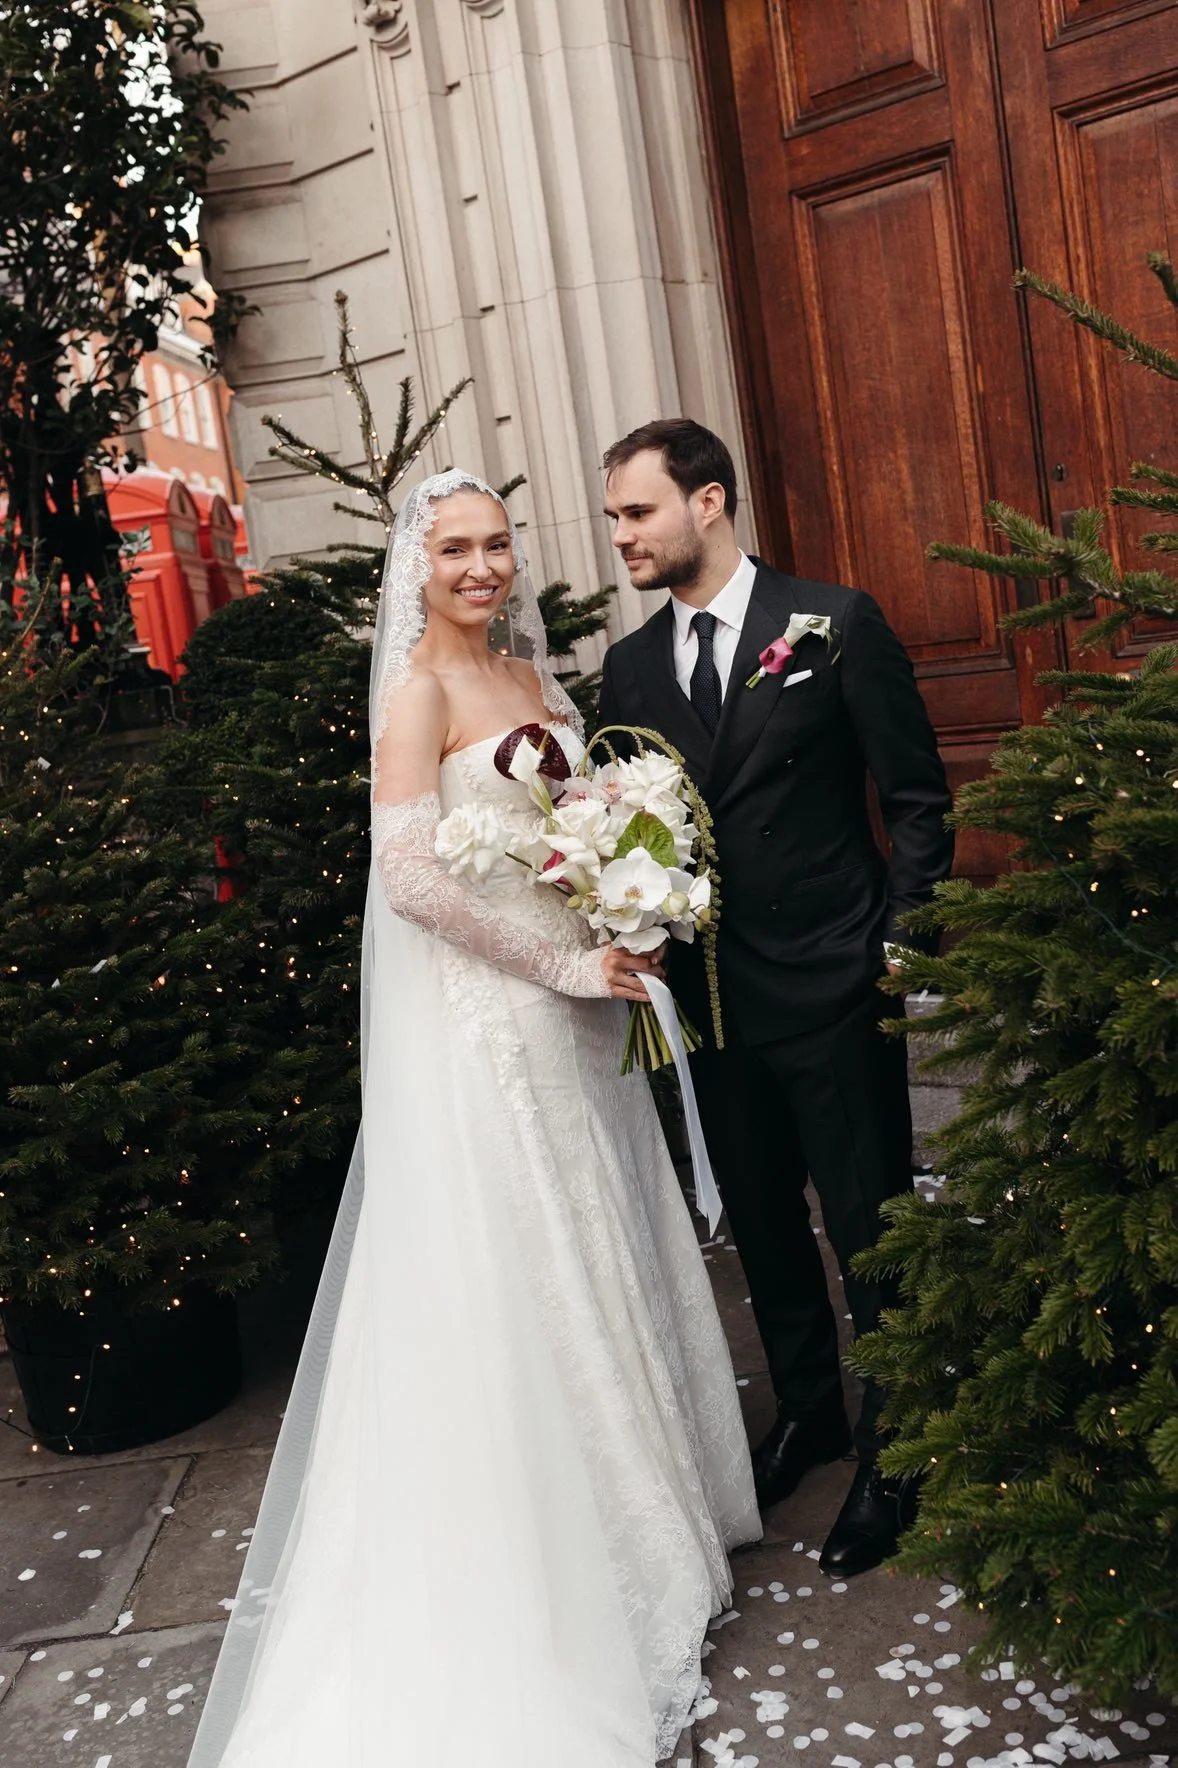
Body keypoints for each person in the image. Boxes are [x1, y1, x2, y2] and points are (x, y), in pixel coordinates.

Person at [185, 470, 760, 1768]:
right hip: (494, 1025)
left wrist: (626, 899)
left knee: (606, 1238)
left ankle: (661, 1520)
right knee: (532, 1267)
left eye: (499, 543)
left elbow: (572, 827)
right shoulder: (419, 698)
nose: (484, 567)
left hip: (582, 1013)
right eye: (456, 549)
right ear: (418, 565)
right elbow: (410, 882)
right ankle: (571, 1579)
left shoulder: (535, 684)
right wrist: (560, 965)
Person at [597, 419, 954, 1577]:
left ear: (708, 502)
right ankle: (808, 1410)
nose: (620, 536)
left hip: (832, 983)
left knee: (867, 1223)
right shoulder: (630, 667)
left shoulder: (834, 623)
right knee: (760, 1223)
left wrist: (900, 939)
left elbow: (913, 795)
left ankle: (899, 1446)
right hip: (704, 1003)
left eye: (636, 512)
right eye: (612, 517)